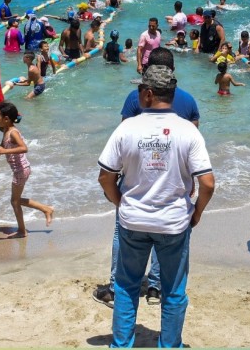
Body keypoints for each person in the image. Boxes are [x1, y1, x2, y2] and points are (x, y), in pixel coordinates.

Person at [97, 65, 215, 348]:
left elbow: (105, 176)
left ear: (148, 94)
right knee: (173, 291)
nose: (137, 93)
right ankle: (169, 345)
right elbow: (208, 183)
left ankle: (121, 344)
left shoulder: (127, 128)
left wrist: (120, 201)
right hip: (173, 223)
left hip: (132, 221)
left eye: (140, 89)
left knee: (126, 286)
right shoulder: (188, 131)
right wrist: (196, 212)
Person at [93, 49, 199, 308]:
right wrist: (192, 184)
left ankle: (117, 288)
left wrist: (118, 197)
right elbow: (194, 149)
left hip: (136, 182)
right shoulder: (188, 101)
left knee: (123, 233)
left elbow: (123, 141)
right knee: (165, 231)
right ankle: (155, 288)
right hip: (173, 182)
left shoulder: (135, 97)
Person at [0, 102, 53, 237]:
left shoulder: (13, 132)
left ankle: (26, 227)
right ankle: (45, 210)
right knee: (16, 200)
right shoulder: (6, 131)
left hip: (21, 170)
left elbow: (24, 148)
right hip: (21, 170)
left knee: (15, 201)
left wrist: (4, 151)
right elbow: (1, 148)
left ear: (6, 119)